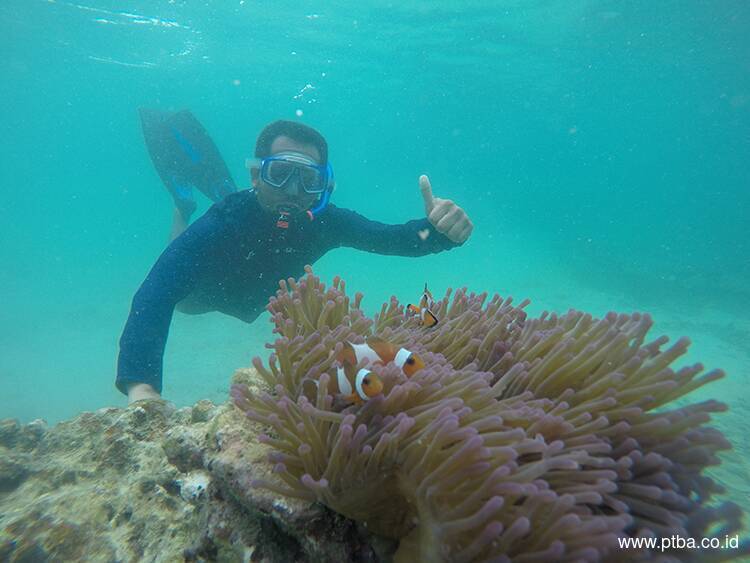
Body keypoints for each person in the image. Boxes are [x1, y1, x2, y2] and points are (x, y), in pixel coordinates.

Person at [118, 111, 473, 403]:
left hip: (245, 291)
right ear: (257, 175)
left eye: (307, 179)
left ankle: (202, 193)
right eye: (279, 173)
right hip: (195, 297)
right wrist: (142, 386)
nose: (292, 190)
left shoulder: (324, 223)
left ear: (324, 185)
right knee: (178, 254)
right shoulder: (222, 222)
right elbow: (155, 294)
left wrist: (439, 232)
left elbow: (392, 239)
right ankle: (182, 207)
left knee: (230, 200)